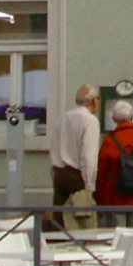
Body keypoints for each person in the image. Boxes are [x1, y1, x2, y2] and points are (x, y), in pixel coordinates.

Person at [50, 85, 101, 229]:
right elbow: (88, 156)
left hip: (59, 173)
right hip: (78, 176)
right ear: (94, 101)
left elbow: (54, 147)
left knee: (59, 220)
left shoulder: (63, 118)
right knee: (81, 223)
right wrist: (90, 184)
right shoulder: (90, 121)